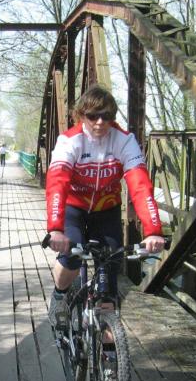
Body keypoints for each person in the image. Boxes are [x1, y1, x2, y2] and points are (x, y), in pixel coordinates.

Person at [45, 85, 165, 329]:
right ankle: (59, 295)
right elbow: (57, 183)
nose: (100, 122)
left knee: (110, 264)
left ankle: (109, 345)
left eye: (106, 116)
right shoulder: (69, 141)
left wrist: (153, 230)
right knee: (71, 257)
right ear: (81, 115)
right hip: (73, 208)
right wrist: (55, 229)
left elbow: (140, 186)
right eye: (93, 116)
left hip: (106, 209)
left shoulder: (124, 141)